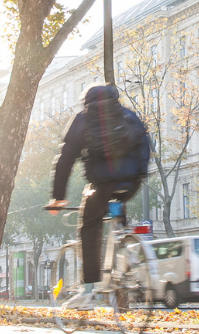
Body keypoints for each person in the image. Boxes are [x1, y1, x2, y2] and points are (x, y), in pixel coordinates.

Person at [47, 85, 150, 309]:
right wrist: (140, 173)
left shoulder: (83, 120)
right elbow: (144, 143)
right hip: (130, 182)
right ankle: (127, 250)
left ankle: (87, 291)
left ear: (87, 101)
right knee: (117, 204)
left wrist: (58, 197)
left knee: (90, 226)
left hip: (101, 185)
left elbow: (65, 159)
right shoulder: (127, 115)